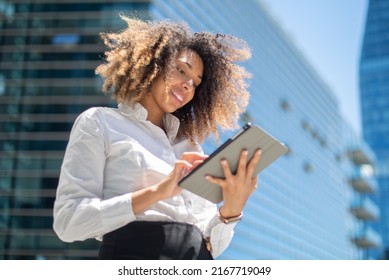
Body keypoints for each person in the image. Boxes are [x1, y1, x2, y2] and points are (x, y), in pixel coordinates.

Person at [53, 15, 261, 260]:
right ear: (153, 64)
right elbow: (68, 223)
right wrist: (158, 192)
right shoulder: (100, 122)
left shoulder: (191, 147)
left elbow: (208, 242)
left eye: (195, 83)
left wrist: (231, 210)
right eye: (181, 70)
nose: (187, 85)